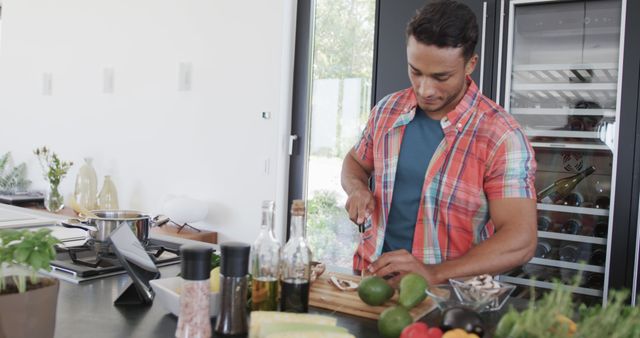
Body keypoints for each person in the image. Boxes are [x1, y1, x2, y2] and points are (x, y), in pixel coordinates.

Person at [341, 0, 537, 286]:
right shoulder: (387, 110)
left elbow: (521, 239)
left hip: (449, 298)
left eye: (440, 77)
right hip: (370, 282)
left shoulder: (501, 136)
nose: (425, 89)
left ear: (471, 64)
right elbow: (355, 162)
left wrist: (433, 274)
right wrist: (357, 188)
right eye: (416, 71)